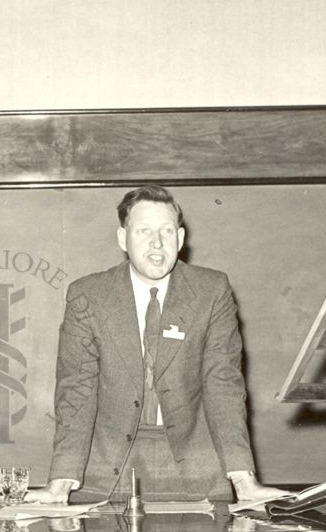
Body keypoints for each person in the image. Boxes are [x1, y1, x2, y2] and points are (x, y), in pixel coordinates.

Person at [43, 184, 283, 504]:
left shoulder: (212, 290)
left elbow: (222, 384)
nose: (157, 243)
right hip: (107, 471)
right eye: (143, 231)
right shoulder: (87, 295)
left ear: (180, 240)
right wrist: (60, 483)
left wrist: (244, 480)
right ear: (122, 239)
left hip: (196, 471)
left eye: (166, 231)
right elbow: (76, 390)